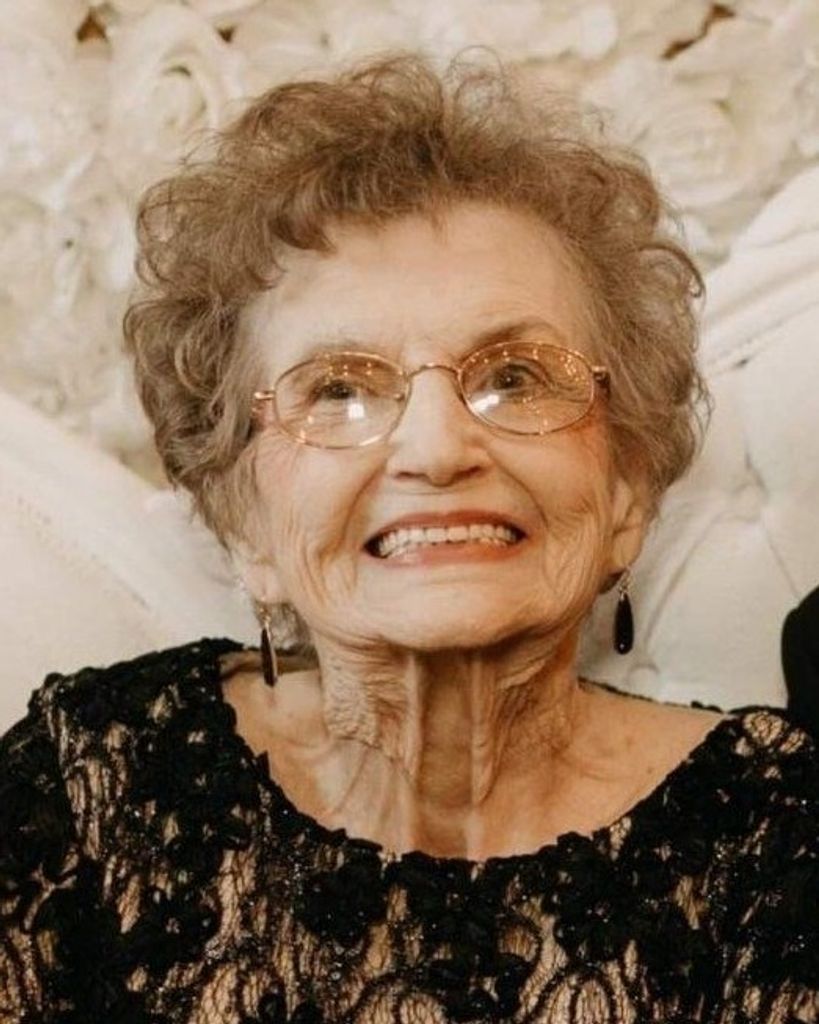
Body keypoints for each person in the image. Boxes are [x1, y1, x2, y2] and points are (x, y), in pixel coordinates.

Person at [1, 52, 817, 1024]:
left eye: (515, 377)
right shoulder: (99, 781)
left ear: (626, 489)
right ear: (244, 519)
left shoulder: (779, 832)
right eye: (339, 390)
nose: (436, 448)